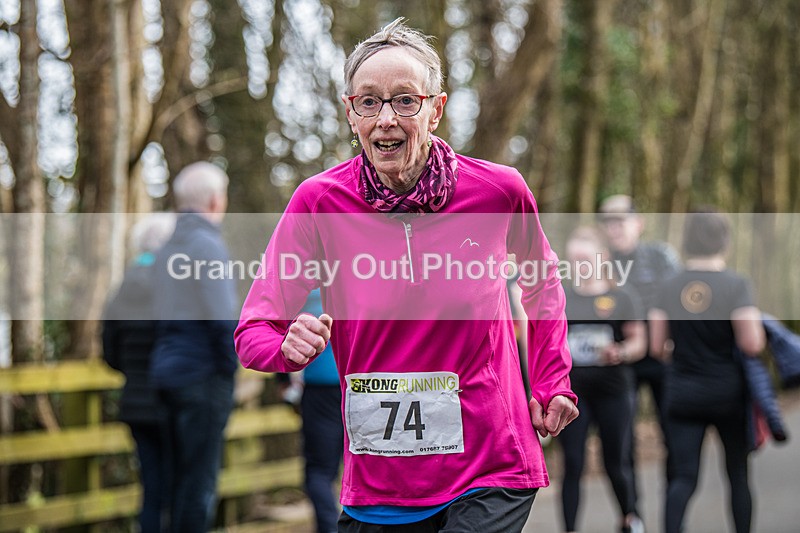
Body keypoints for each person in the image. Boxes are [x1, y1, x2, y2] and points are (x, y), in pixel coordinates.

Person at [235, 18, 578, 533]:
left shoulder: (498, 192)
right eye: (369, 102)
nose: (386, 118)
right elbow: (253, 329)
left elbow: (541, 282)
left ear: (436, 109)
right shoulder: (319, 202)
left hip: (489, 458)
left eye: (405, 100)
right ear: (351, 114)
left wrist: (552, 379)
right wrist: (284, 346)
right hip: (381, 476)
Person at [649, 209, 765, 533]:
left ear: (687, 240)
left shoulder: (668, 285)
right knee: (737, 475)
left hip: (682, 394)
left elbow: (657, 347)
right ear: (724, 240)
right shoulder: (736, 284)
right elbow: (751, 343)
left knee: (683, 477)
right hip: (728, 393)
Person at [150, 162, 239, 532]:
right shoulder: (208, 245)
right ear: (217, 201)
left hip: (165, 374)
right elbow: (223, 319)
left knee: (172, 484)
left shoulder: (165, 247)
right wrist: (230, 366)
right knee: (199, 485)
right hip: (202, 377)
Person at [557, 227, 646, 533]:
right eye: (574, 259)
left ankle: (630, 518)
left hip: (614, 392)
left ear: (602, 257)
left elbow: (639, 343)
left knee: (616, 462)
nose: (580, 264)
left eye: (585, 258)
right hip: (573, 395)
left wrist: (620, 351)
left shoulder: (622, 296)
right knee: (573, 463)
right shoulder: (561, 297)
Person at [597, 195, 681, 510]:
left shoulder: (661, 257)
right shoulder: (597, 261)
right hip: (620, 362)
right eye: (607, 220)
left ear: (638, 223)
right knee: (621, 445)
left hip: (662, 358)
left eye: (620, 219)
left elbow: (681, 301)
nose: (614, 226)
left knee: (673, 438)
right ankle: (632, 515)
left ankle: (674, 510)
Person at [102, 213, 176, 533]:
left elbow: (109, 351)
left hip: (135, 402)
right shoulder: (175, 285)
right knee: (177, 487)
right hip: (172, 398)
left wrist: (133, 371)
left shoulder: (121, 289)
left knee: (151, 487)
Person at [278, 289, 344, 533]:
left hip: (320, 387)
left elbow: (281, 333)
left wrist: (282, 381)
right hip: (360, 384)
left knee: (318, 472)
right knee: (358, 467)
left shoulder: (303, 286)